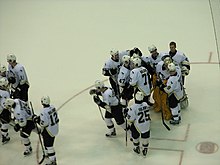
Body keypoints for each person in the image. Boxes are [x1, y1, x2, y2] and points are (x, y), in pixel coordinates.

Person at [33, 96, 59, 165]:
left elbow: (44, 123)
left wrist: (38, 120)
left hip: (49, 130)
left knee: (49, 145)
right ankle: (47, 153)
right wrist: (38, 118)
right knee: (47, 143)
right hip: (55, 128)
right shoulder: (53, 107)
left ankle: (53, 161)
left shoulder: (43, 111)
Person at [126, 91, 151, 157]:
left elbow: (130, 119)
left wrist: (126, 114)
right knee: (145, 137)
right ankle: (145, 149)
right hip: (146, 124)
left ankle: (136, 147)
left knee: (135, 135)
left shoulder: (133, 107)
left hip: (138, 125)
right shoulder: (146, 104)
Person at [0, 77, 11, 144]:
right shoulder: (5, 93)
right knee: (5, 123)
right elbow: (5, 104)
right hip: (3, 110)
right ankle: (4, 136)